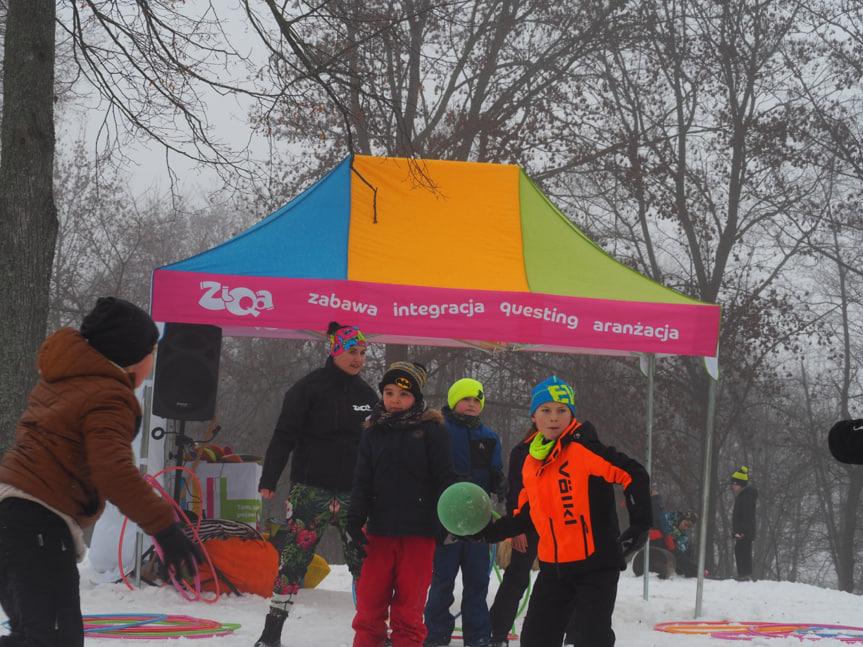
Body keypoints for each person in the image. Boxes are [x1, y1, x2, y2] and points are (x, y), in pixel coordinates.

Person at [0, 297, 201, 646]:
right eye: (152, 351)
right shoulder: (108, 394)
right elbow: (114, 472)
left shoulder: (64, 380)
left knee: (42, 637)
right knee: (51, 640)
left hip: (12, 514)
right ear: (133, 357)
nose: (154, 361)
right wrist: (165, 529)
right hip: (35, 524)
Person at [464, 376, 651, 647]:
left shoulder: (584, 449)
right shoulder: (531, 462)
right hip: (555, 570)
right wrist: (486, 533)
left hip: (596, 566)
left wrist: (640, 524)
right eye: (546, 410)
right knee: (535, 639)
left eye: (562, 410)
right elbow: (528, 516)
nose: (554, 418)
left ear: (571, 415)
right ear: (534, 417)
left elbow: (633, 473)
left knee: (591, 638)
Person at [254, 321, 379, 647]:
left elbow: (376, 446)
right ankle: (271, 635)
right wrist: (270, 477)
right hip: (311, 489)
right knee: (294, 561)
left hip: (354, 492)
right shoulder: (307, 389)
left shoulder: (368, 395)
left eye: (364, 353)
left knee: (364, 565)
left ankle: (374, 634)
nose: (359, 359)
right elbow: (284, 435)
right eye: (353, 351)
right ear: (336, 350)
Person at [346, 361, 457, 647]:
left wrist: (447, 521)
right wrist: (354, 522)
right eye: (389, 392)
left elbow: (446, 478)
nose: (395, 400)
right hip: (379, 532)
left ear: (416, 399)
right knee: (369, 609)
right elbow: (362, 481)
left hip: (419, 534)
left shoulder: (433, 430)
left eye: (403, 394)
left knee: (409, 612)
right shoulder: (372, 432)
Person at [424, 378, 505, 647]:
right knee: (442, 579)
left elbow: (495, 472)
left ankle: (478, 634)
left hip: (478, 519)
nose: (471, 404)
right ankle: (435, 632)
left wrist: (500, 482)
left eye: (476, 400)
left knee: (477, 580)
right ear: (453, 401)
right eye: (466, 399)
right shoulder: (438, 430)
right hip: (445, 518)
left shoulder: (489, 437)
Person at [488, 428, 539, 647]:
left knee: (562, 581)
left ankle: (562, 631)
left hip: (561, 527)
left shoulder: (569, 447)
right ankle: (498, 633)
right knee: (516, 578)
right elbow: (514, 491)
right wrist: (516, 528)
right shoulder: (523, 450)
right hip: (528, 525)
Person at [730, 466, 757, 581]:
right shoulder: (743, 496)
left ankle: (746, 574)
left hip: (744, 532)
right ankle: (743, 573)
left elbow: (746, 516)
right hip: (742, 531)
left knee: (744, 551)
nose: (733, 486)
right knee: (739, 550)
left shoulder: (746, 497)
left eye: (734, 484)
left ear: (739, 483)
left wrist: (742, 532)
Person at [665, 511, 698, 577]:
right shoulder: (669, 519)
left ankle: (693, 569)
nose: (685, 528)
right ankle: (692, 570)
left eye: (688, 527)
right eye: (685, 524)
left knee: (689, 547)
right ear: (682, 519)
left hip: (674, 549)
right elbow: (665, 529)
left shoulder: (683, 534)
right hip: (664, 543)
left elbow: (682, 547)